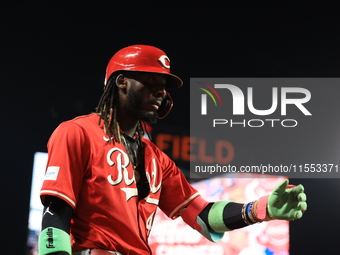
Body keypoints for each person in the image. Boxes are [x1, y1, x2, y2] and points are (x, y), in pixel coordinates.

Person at [38, 45, 307, 255]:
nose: (160, 93)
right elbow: (55, 213)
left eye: (163, 87)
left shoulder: (157, 159)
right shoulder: (77, 132)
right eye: (151, 82)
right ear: (121, 82)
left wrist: (262, 209)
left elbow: (204, 215)